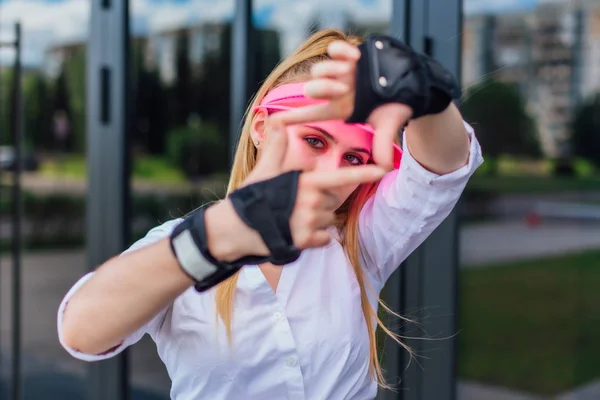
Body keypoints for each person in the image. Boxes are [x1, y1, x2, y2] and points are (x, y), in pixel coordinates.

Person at [58, 29, 483, 399]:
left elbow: (441, 169)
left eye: (354, 158)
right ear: (262, 128)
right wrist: (211, 241)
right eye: (315, 141)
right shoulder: (183, 240)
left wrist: (429, 96)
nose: (331, 171)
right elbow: (82, 331)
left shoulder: (361, 242)